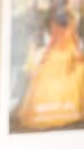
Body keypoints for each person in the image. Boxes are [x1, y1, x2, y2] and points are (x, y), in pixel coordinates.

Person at [18, 0, 84, 130]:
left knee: (47, 75)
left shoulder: (55, 20)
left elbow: (52, 42)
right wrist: (79, 53)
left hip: (58, 53)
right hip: (68, 51)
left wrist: (45, 56)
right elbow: (75, 40)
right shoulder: (72, 18)